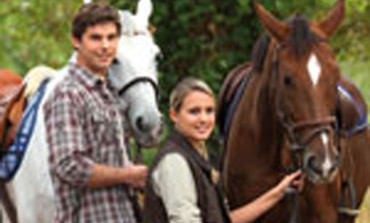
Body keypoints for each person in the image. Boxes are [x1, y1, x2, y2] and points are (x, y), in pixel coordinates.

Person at [143, 77, 303, 223]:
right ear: (174, 115)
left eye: (209, 111)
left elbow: (225, 220)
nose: (203, 119)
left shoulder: (197, 157)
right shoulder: (174, 162)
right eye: (194, 111)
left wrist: (279, 191)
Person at [43, 2, 147, 223]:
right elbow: (70, 166)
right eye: (96, 38)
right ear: (76, 41)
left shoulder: (108, 93)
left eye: (111, 38)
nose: (105, 46)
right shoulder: (68, 95)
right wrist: (127, 175)